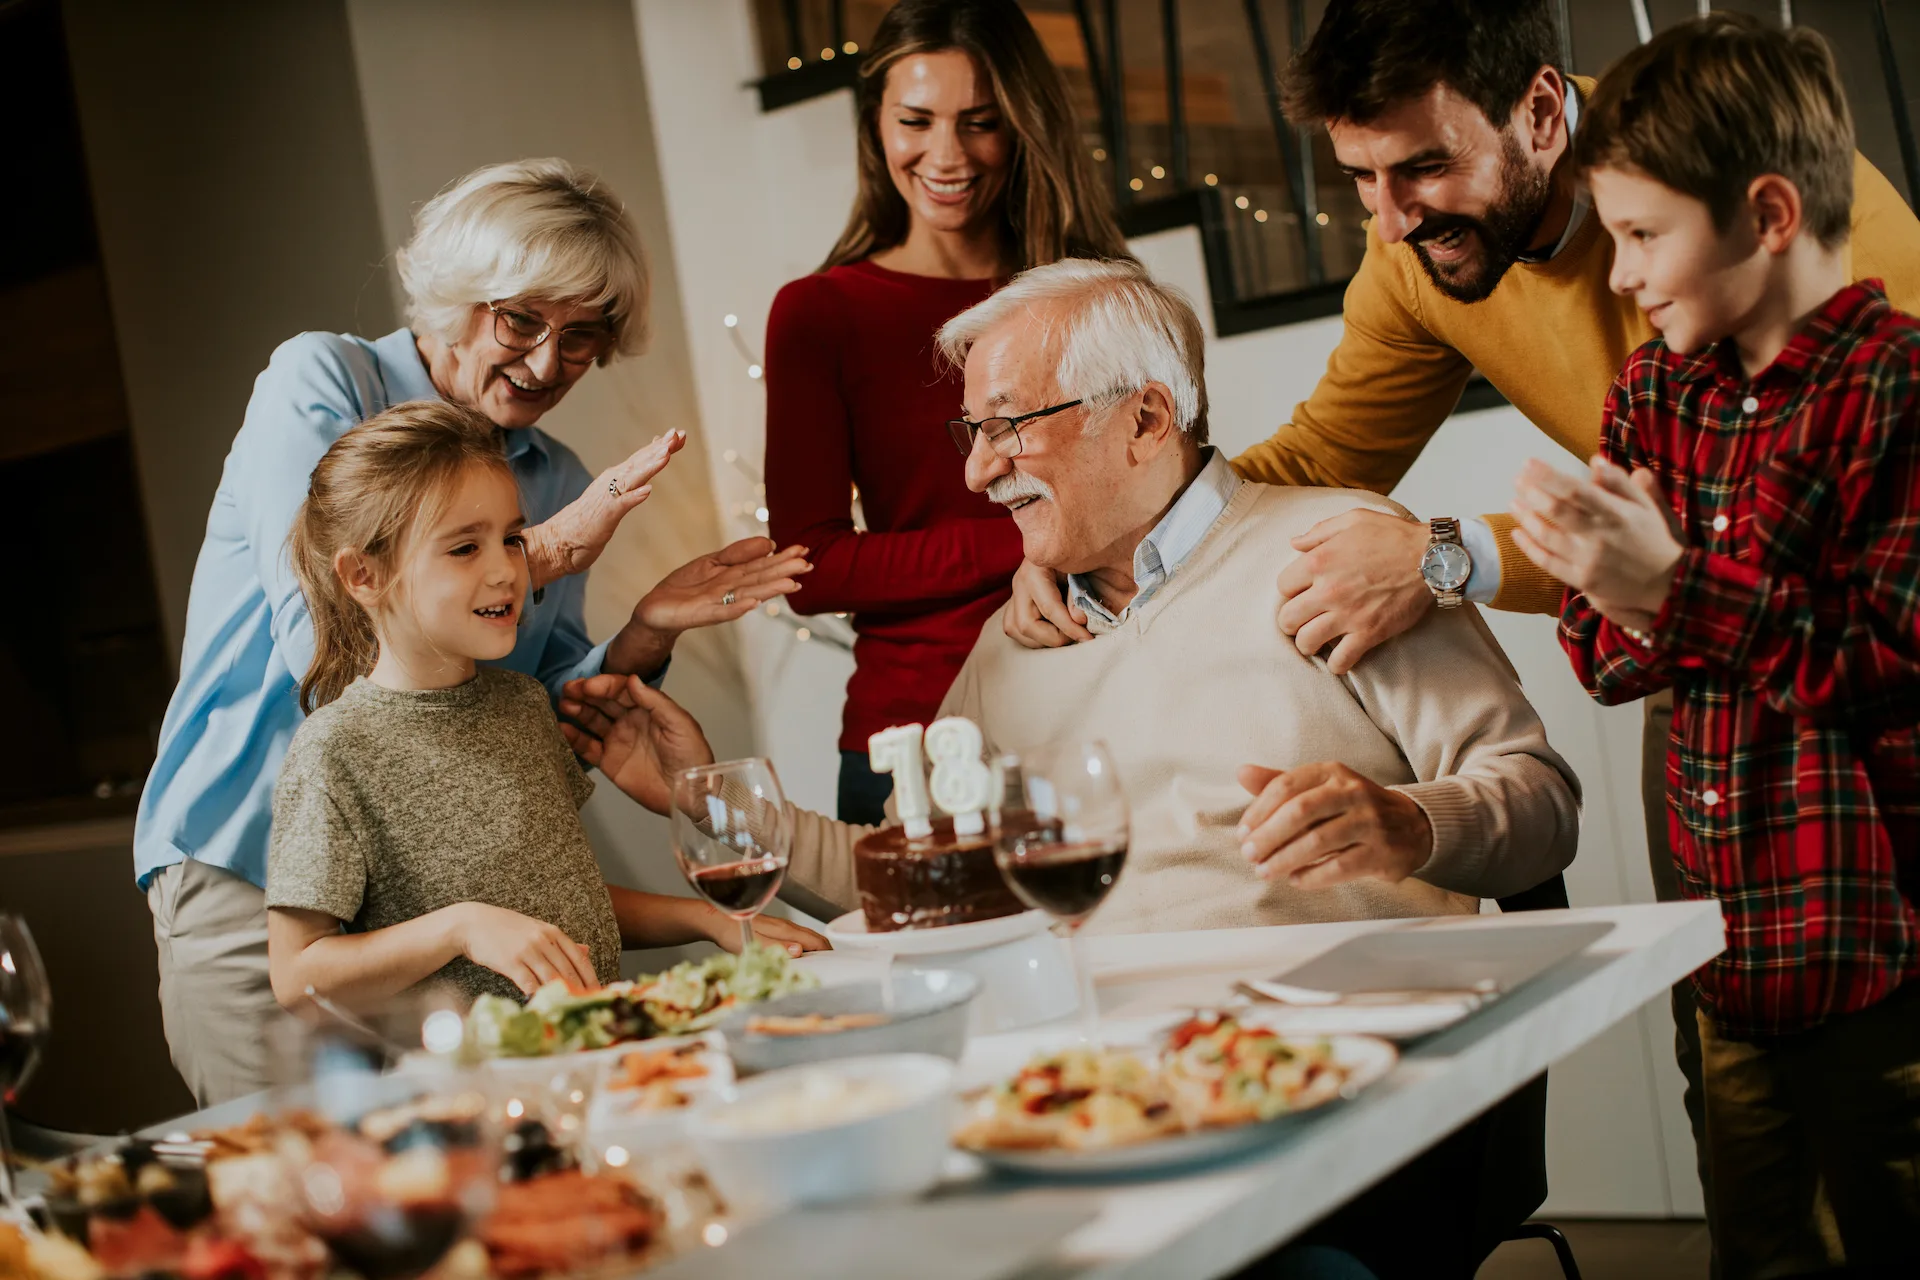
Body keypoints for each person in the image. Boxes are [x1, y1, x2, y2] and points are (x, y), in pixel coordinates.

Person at [998, 0, 1920, 1209]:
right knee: (1745, 1095)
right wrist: (1096, 525)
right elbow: (1332, 449)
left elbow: (1828, 528)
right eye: (1359, 178)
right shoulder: (1435, 272)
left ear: (1543, 112)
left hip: (1870, 701)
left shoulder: (1738, 180)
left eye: (1423, 165)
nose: (1388, 219)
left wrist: (1450, 554)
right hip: (1708, 694)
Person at [564, 261, 1580, 1277]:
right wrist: (720, 808)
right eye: (974, 432)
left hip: (1318, 1090)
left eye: (1009, 425)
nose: (976, 472)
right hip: (1095, 1101)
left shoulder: (1342, 560)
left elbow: (1539, 797)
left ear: (1144, 418)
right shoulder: (1016, 640)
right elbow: (925, 870)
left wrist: (1410, 822)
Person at [136, 158, 812, 1104]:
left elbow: (510, 720)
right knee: (302, 1205)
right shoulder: (322, 378)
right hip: (253, 873)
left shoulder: (554, 470)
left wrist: (646, 631)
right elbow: (332, 655)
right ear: (457, 296)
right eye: (521, 320)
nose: (546, 364)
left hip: (436, 898)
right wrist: (543, 552)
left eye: (583, 339)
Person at [1513, 18, 1920, 1276]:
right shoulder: (1651, 397)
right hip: (1727, 957)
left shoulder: (1896, 385)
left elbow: (1884, 662)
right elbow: (1601, 652)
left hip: (1885, 965)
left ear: (1770, 212)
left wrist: (1674, 590)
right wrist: (1627, 589)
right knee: (1756, 1252)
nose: (1622, 274)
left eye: (1642, 236)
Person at [264, 403, 824, 1010]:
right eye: (463, 549)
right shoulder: (335, 750)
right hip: (478, 1085)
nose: (507, 569)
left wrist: (709, 919)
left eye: (510, 539)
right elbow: (297, 974)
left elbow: (563, 898)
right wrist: (460, 928)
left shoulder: (523, 705)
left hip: (596, 1049)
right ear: (363, 575)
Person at [764, 0, 1129, 825]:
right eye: (916, 121)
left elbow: (1157, 497)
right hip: (917, 739)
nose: (947, 155)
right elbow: (809, 568)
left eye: (980, 123)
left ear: (1023, 126)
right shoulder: (822, 314)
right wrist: (1024, 539)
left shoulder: (1098, 292)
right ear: (876, 128)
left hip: (1099, 701)